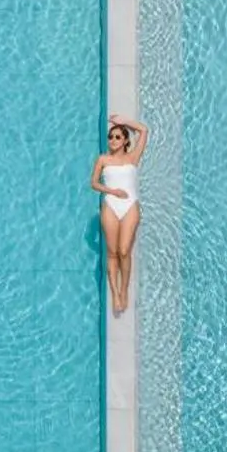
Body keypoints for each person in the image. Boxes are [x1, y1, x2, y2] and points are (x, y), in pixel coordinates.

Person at [90, 112, 147, 315]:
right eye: (110, 137)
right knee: (112, 252)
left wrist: (124, 122)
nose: (112, 140)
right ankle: (115, 293)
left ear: (125, 141)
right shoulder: (103, 159)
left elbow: (144, 130)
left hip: (130, 205)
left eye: (117, 137)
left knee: (124, 251)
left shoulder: (133, 157)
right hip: (111, 205)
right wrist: (112, 191)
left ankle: (124, 290)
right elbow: (94, 183)